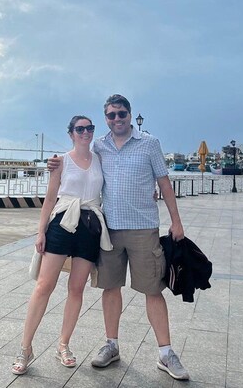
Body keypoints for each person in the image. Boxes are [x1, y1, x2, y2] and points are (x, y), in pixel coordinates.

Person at [48, 94, 189, 381]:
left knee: (153, 290)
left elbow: (164, 183)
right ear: (106, 119)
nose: (117, 119)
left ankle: (166, 353)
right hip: (108, 230)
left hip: (143, 229)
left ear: (130, 114)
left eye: (121, 113)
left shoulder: (149, 143)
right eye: (111, 115)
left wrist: (176, 221)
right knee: (110, 288)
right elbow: (80, 159)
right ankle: (111, 345)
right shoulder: (100, 145)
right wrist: (55, 163)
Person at [12, 115, 112, 375]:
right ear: (71, 133)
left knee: (76, 288)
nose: (85, 132)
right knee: (44, 285)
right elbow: (49, 199)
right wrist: (40, 232)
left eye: (89, 128)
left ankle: (63, 345)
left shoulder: (100, 159)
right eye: (80, 129)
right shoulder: (61, 161)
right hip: (62, 222)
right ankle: (25, 348)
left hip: (90, 226)